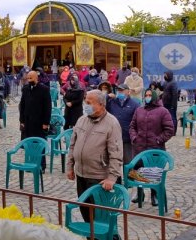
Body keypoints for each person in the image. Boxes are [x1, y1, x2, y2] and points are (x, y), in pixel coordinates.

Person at [66, 89, 124, 224]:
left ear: (101, 105)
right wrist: (70, 166)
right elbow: (73, 145)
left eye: (89, 103)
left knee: (103, 219)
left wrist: (112, 178)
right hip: (82, 175)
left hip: (100, 179)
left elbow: (116, 153)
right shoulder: (81, 120)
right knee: (86, 214)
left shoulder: (112, 123)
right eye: (85, 102)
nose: (85, 105)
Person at [129, 87, 175, 154]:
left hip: (156, 149)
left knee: (154, 164)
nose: (148, 97)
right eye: (146, 95)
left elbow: (169, 129)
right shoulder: (139, 110)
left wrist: (159, 140)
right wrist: (134, 138)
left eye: (150, 95)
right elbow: (132, 126)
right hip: (139, 149)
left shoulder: (163, 111)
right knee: (139, 164)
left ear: (154, 96)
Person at [105, 82, 141, 164]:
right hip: (113, 137)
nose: (119, 92)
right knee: (113, 162)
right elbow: (100, 103)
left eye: (122, 90)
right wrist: (107, 96)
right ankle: (116, 177)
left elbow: (138, 121)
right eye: (118, 90)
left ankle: (128, 177)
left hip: (127, 138)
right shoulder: (112, 102)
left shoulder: (134, 104)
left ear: (128, 92)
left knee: (128, 162)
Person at [18, 70, 52, 144]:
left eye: (31, 78)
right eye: (28, 78)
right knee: (28, 143)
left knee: (39, 143)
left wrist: (46, 123)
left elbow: (48, 107)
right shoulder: (25, 89)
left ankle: (41, 156)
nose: (29, 80)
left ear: (36, 78)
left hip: (39, 122)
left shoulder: (44, 89)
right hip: (27, 121)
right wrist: (22, 121)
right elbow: (22, 106)